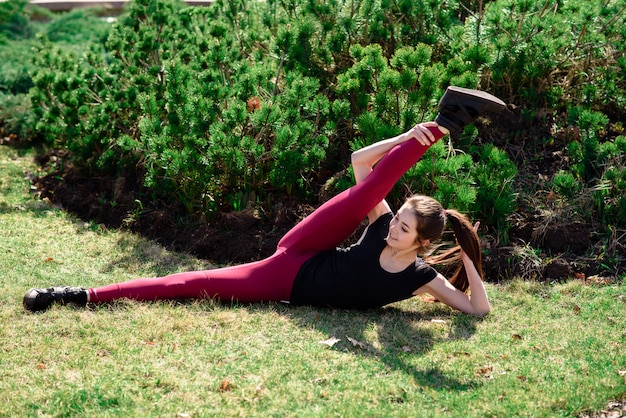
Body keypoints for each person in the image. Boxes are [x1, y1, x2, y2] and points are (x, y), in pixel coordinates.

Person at [23, 86, 506, 315]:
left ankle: (447, 120)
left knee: (187, 283)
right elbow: (361, 164)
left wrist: (467, 253)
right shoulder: (382, 225)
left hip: (290, 280)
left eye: (404, 227)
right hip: (299, 255)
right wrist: (406, 133)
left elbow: (477, 310)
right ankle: (441, 125)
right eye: (398, 217)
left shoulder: (423, 277)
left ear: (421, 245)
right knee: (368, 191)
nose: (394, 225)